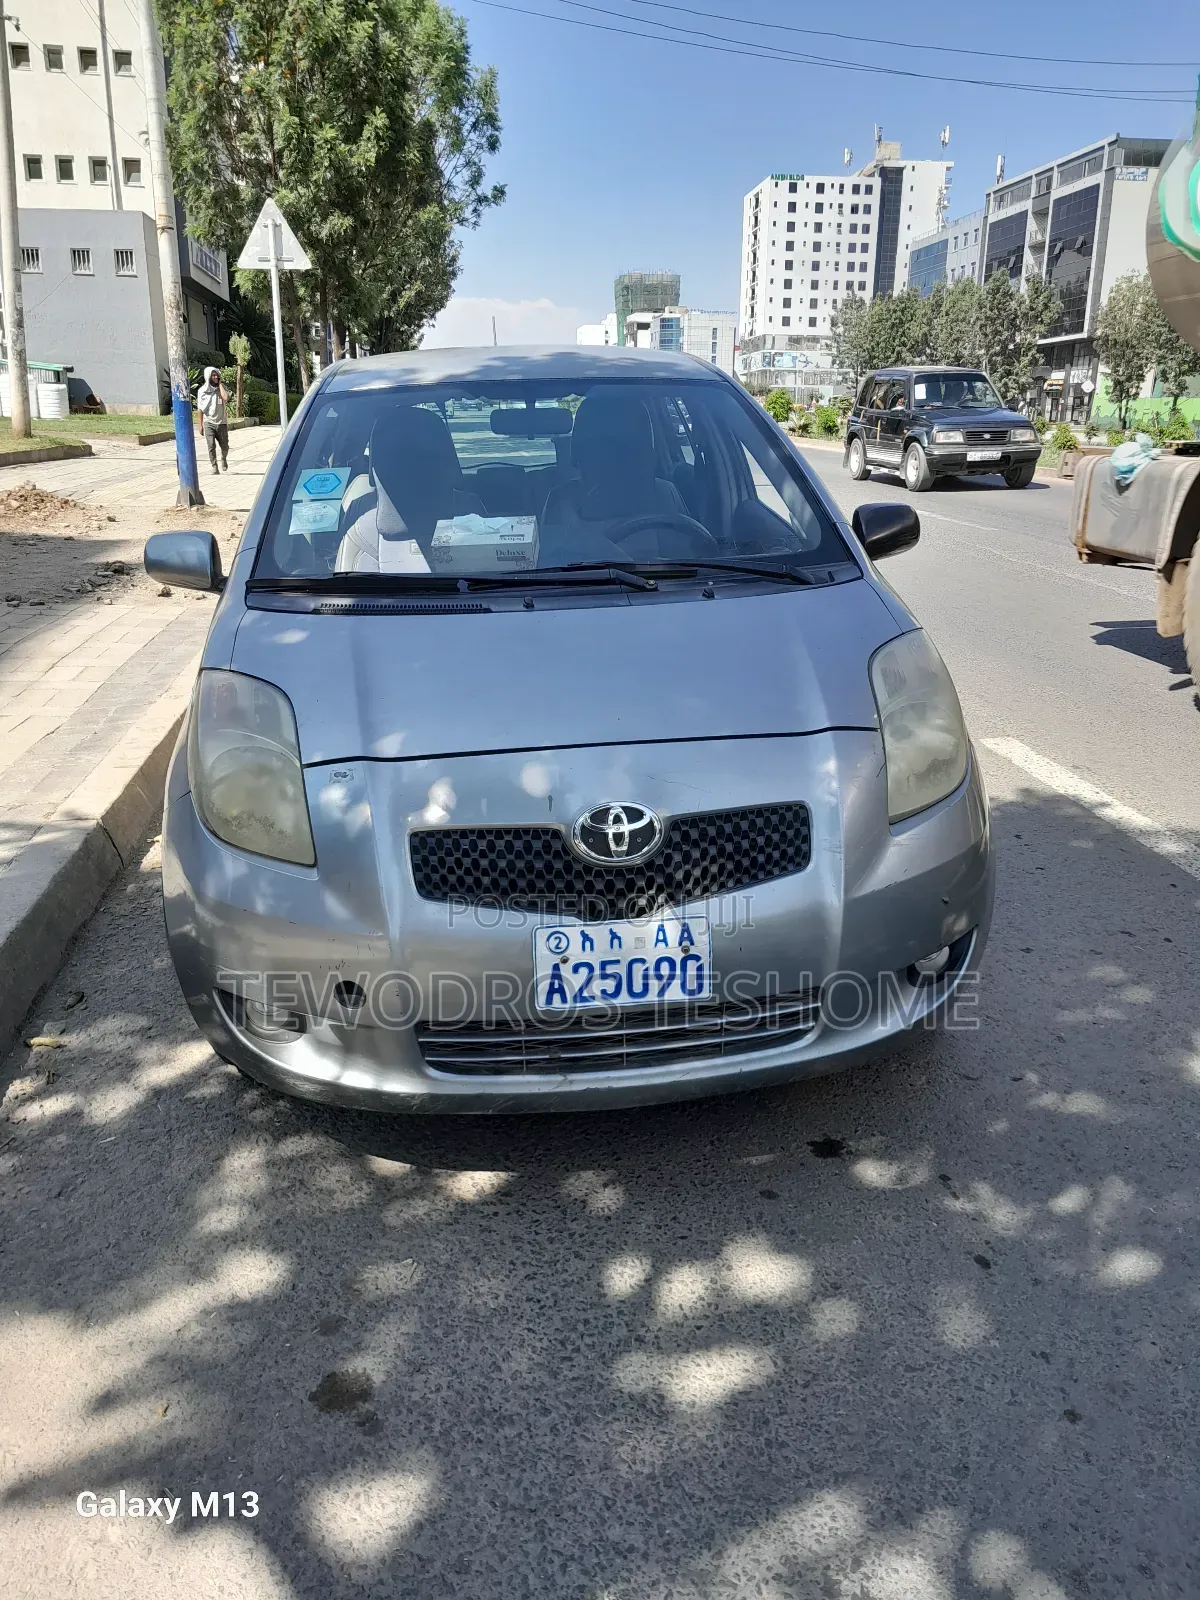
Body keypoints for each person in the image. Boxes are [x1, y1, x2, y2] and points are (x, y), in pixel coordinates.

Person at [196, 366, 229, 474]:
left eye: (216, 375)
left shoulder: (221, 389)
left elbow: (225, 398)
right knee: (211, 445)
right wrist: (200, 425)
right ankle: (214, 466)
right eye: (213, 375)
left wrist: (220, 385)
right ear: (208, 376)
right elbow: (200, 409)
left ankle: (223, 459)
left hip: (221, 422)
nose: (215, 377)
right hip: (208, 422)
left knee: (225, 446)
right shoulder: (202, 391)